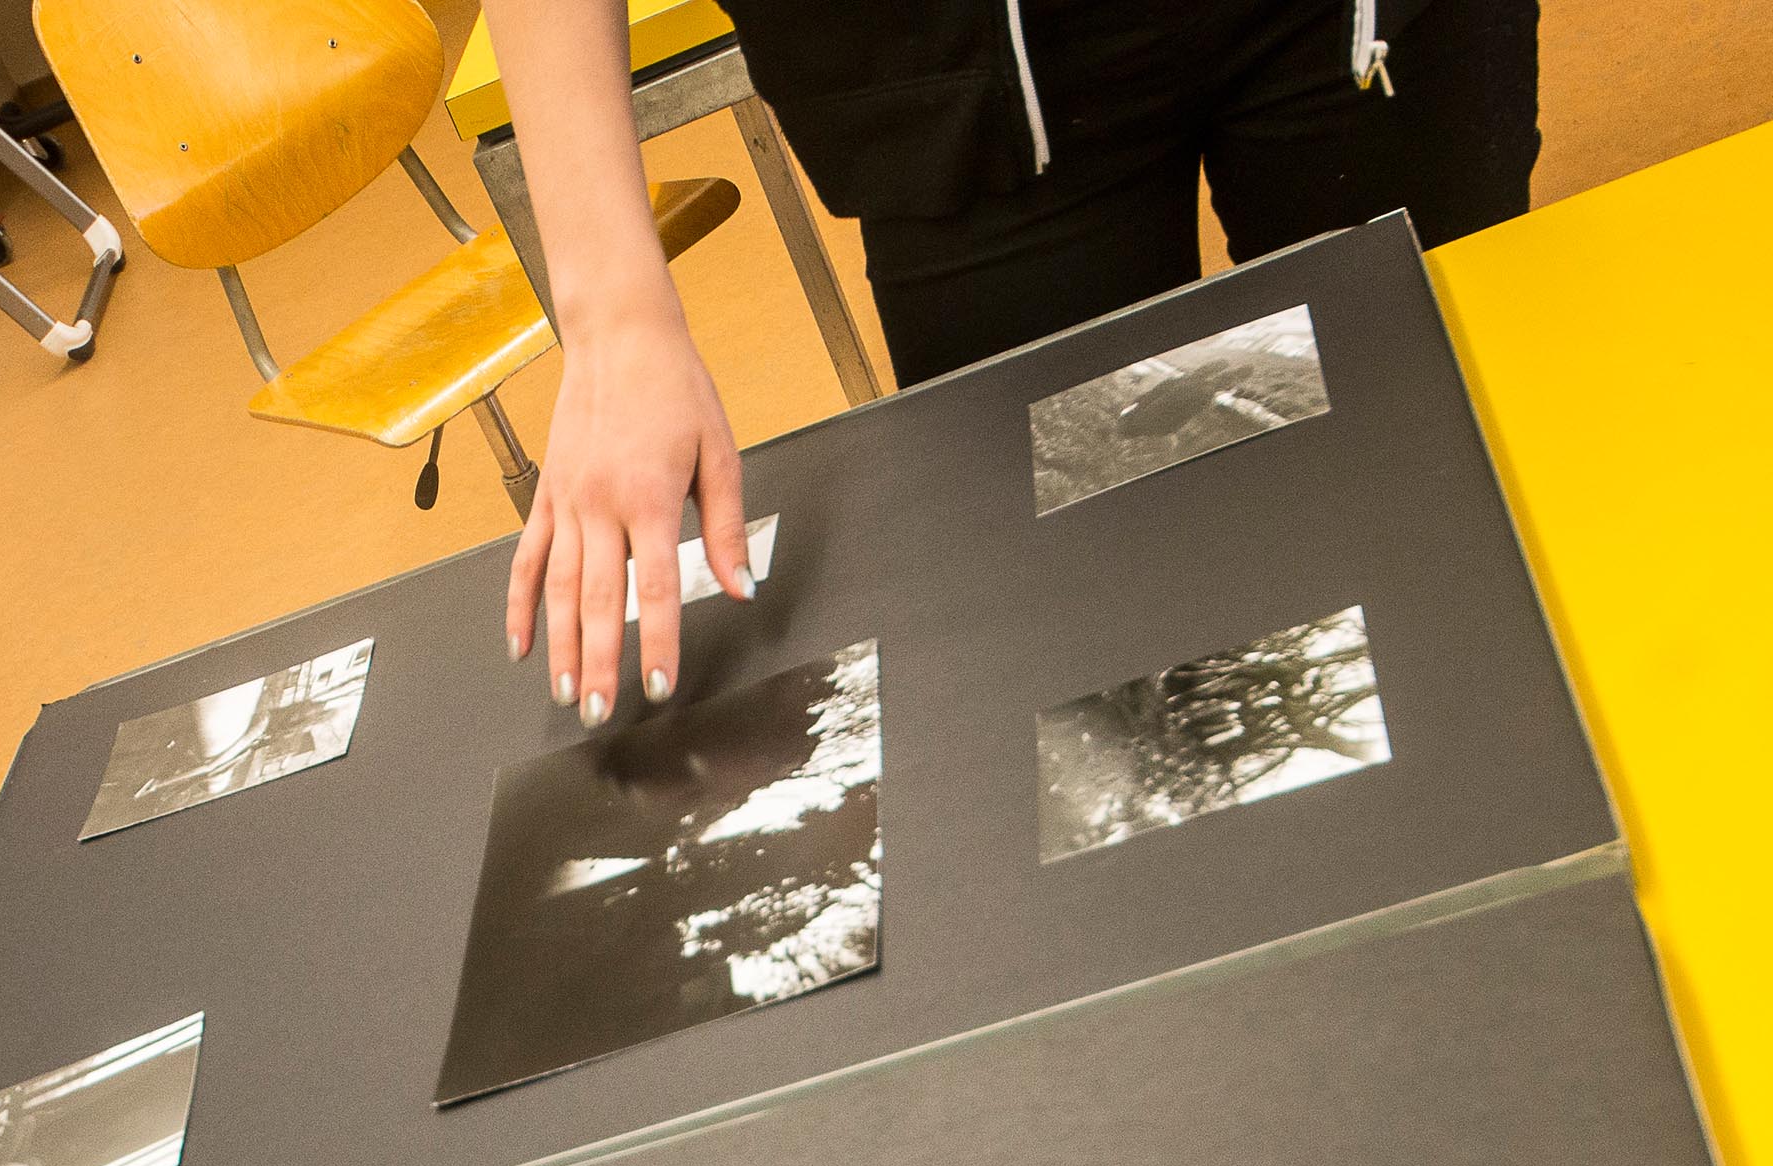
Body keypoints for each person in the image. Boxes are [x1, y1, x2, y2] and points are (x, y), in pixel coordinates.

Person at [490, 0, 1539, 728]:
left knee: (1448, 496)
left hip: (1361, 21)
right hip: (938, 61)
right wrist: (613, 314)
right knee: (1089, 630)